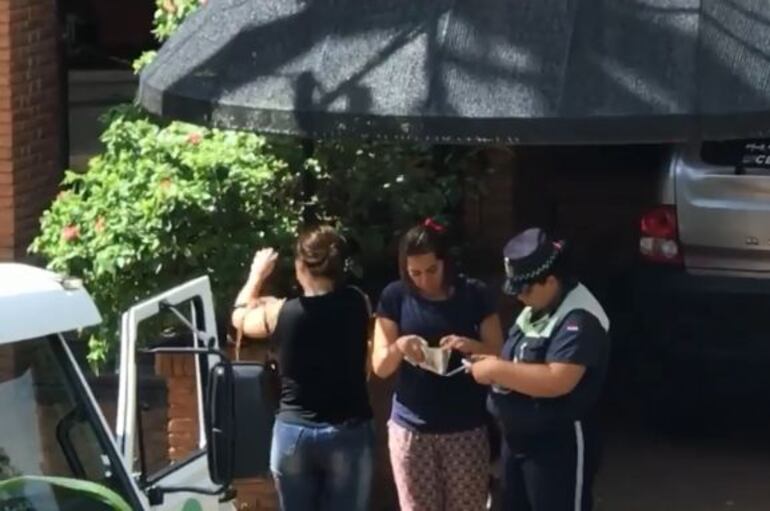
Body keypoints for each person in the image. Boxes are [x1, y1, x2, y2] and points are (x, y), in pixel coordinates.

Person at [231, 225, 374, 511]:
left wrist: (256, 276)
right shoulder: (359, 301)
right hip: (347, 429)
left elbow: (239, 317)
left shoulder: (280, 313)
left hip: (294, 433)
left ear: (300, 266)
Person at [469, 227, 610, 511]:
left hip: (557, 444)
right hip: (518, 439)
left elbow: (558, 379)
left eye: (525, 289)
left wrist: (496, 370)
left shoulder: (579, 317)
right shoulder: (538, 304)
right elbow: (519, 360)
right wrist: (489, 361)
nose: (519, 297)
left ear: (551, 280)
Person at [371, 219, 504, 511]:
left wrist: (470, 346)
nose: (424, 280)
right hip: (412, 427)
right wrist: (400, 347)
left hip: (466, 427)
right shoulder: (395, 296)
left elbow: (499, 354)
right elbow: (380, 366)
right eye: (415, 273)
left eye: (432, 270)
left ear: (445, 262)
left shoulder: (474, 293)